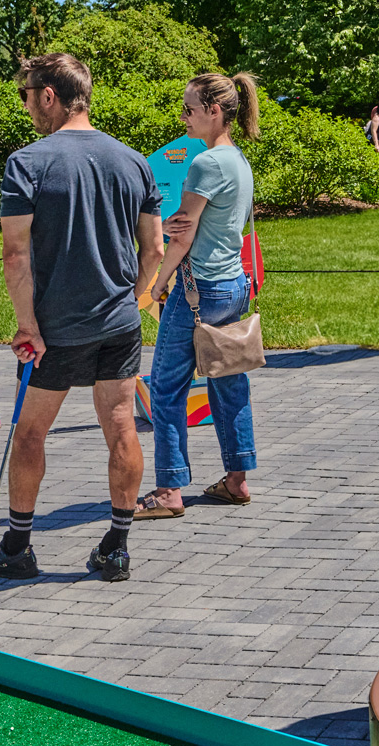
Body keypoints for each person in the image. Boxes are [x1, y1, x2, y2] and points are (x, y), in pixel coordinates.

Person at [0, 53, 164, 584]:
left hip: (54, 330)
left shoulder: (27, 162)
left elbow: (14, 255)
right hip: (119, 324)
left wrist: (27, 325)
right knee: (121, 426)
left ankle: (18, 547)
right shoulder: (134, 161)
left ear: (48, 95)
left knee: (29, 433)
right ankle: (116, 547)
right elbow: (155, 250)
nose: (27, 106)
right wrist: (136, 301)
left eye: (27, 96)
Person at [134, 72, 262, 520]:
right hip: (232, 285)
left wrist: (158, 281)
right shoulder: (238, 161)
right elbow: (203, 224)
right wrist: (176, 225)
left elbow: (183, 237)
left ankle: (169, 490)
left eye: (189, 108)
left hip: (196, 290)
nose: (183, 116)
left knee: (167, 389)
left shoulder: (205, 164)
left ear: (214, 111)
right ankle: (236, 479)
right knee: (229, 381)